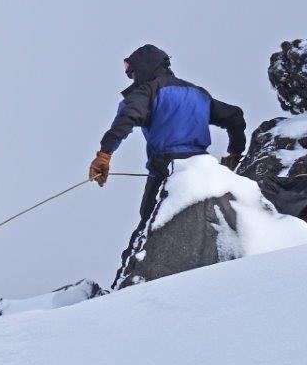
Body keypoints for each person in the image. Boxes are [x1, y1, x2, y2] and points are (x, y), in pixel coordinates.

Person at [87, 44, 247, 282]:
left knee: (149, 222)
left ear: (144, 67)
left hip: (167, 168)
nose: (132, 77)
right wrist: (235, 150)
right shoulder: (198, 93)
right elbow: (234, 116)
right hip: (203, 167)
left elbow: (127, 117)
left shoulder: (148, 91)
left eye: (132, 72)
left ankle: (133, 278)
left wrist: (105, 154)